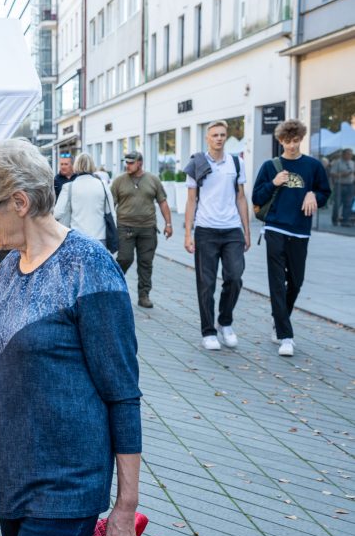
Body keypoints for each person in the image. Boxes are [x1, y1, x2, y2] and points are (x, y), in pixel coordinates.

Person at [0, 139, 142, 536]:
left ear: (19, 202)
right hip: (15, 484)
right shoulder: (6, 270)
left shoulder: (90, 268)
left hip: (64, 488)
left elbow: (123, 393)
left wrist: (124, 508)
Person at [252, 119, 330, 357]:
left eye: (296, 141)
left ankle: (279, 320)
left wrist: (313, 195)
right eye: (287, 141)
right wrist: (273, 183)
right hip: (275, 229)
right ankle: (286, 336)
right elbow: (257, 196)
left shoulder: (313, 166)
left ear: (301, 139)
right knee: (277, 283)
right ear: (280, 141)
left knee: (296, 282)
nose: (292, 145)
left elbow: (325, 192)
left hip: (300, 231)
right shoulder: (270, 166)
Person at [182, 121, 251, 351]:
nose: (219, 138)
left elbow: (241, 198)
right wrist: (188, 233)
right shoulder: (197, 163)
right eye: (214, 135)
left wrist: (246, 230)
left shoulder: (236, 162)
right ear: (207, 138)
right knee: (206, 284)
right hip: (206, 230)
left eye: (222, 135)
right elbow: (191, 200)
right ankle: (208, 331)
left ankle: (225, 321)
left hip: (232, 230)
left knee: (235, 277)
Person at [111, 151, 173, 308]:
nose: (128, 165)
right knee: (125, 258)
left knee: (146, 262)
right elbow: (111, 205)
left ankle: (144, 295)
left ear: (140, 163)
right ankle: (113, 286)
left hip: (148, 228)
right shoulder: (119, 181)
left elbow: (163, 202)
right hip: (125, 227)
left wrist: (168, 224)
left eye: (131, 162)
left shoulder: (153, 180)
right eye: (126, 162)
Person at [53, 152, 116, 247]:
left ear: (75, 166)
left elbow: (57, 213)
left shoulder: (69, 187)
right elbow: (111, 212)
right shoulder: (103, 185)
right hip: (99, 238)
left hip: (77, 238)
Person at [329, 148, 354, 226]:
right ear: (343, 154)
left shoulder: (352, 163)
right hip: (340, 185)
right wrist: (342, 175)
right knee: (337, 203)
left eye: (351, 154)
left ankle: (345, 221)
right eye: (348, 154)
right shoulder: (338, 163)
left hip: (350, 185)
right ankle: (335, 220)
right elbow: (332, 173)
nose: (350, 156)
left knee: (348, 204)